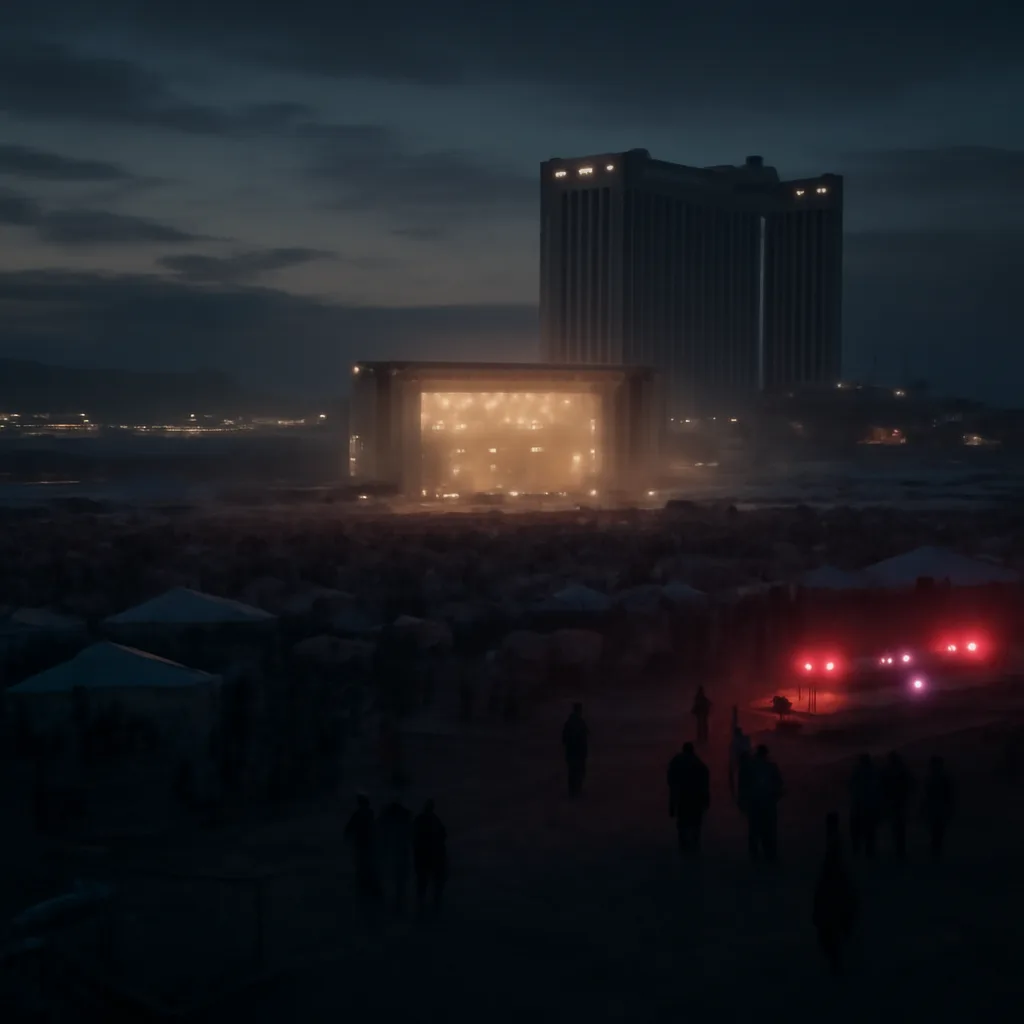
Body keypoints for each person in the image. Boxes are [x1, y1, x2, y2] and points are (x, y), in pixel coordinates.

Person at [813, 812, 858, 975]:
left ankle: (837, 964)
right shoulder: (837, 845)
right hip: (835, 892)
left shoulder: (835, 846)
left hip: (833, 893)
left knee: (830, 934)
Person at [667, 742, 710, 855]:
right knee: (695, 823)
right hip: (696, 798)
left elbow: (671, 782)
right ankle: (695, 844)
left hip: (682, 797)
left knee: (683, 822)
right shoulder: (699, 764)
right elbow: (705, 783)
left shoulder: (677, 761)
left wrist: (672, 803)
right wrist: (706, 800)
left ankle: (684, 845)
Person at [344, 793, 382, 916]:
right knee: (369, 868)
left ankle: (364, 893)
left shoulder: (358, 815)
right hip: (369, 846)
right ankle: (371, 893)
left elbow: (348, 830)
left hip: (362, 846)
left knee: (362, 869)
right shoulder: (370, 814)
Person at [744, 745, 784, 861]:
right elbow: (779, 784)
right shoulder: (772, 767)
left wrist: (744, 801)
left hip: (755, 804)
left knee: (754, 830)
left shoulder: (750, 767)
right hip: (768, 805)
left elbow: (745, 786)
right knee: (769, 831)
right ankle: (769, 854)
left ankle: (754, 855)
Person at [377, 795, 413, 912]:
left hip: (394, 851)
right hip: (399, 851)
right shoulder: (405, 816)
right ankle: (398, 902)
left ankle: (394, 902)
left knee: (394, 879)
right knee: (398, 880)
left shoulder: (387, 817)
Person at [413, 799, 448, 915]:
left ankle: (423, 906)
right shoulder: (435, 821)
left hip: (424, 856)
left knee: (423, 882)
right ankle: (433, 906)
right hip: (432, 856)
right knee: (432, 882)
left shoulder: (421, 820)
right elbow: (442, 837)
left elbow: (414, 837)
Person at [880, 751, 914, 859]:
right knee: (898, 826)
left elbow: (883, 786)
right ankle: (900, 849)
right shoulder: (900, 770)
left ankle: (899, 849)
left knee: (897, 826)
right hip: (898, 801)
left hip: (896, 802)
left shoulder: (890, 771)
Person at [848, 754, 880, 858]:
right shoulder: (873, 772)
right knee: (868, 831)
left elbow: (851, 786)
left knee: (858, 830)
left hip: (861, 806)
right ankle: (868, 851)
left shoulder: (858, 772)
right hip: (868, 806)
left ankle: (858, 850)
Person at [923, 755, 955, 860]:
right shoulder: (936, 777)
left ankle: (936, 850)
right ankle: (936, 850)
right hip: (937, 807)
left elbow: (949, 794)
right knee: (936, 829)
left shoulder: (936, 778)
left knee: (937, 829)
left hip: (938, 807)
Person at [562, 702, 589, 799]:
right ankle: (576, 791)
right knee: (578, 772)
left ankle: (573, 791)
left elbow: (564, 739)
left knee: (572, 772)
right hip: (578, 753)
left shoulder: (569, 723)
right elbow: (585, 737)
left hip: (571, 752)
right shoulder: (580, 723)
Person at [729, 725, 751, 800]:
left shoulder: (736, 741)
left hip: (741, 762)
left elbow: (734, 753)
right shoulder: (745, 739)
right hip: (744, 761)